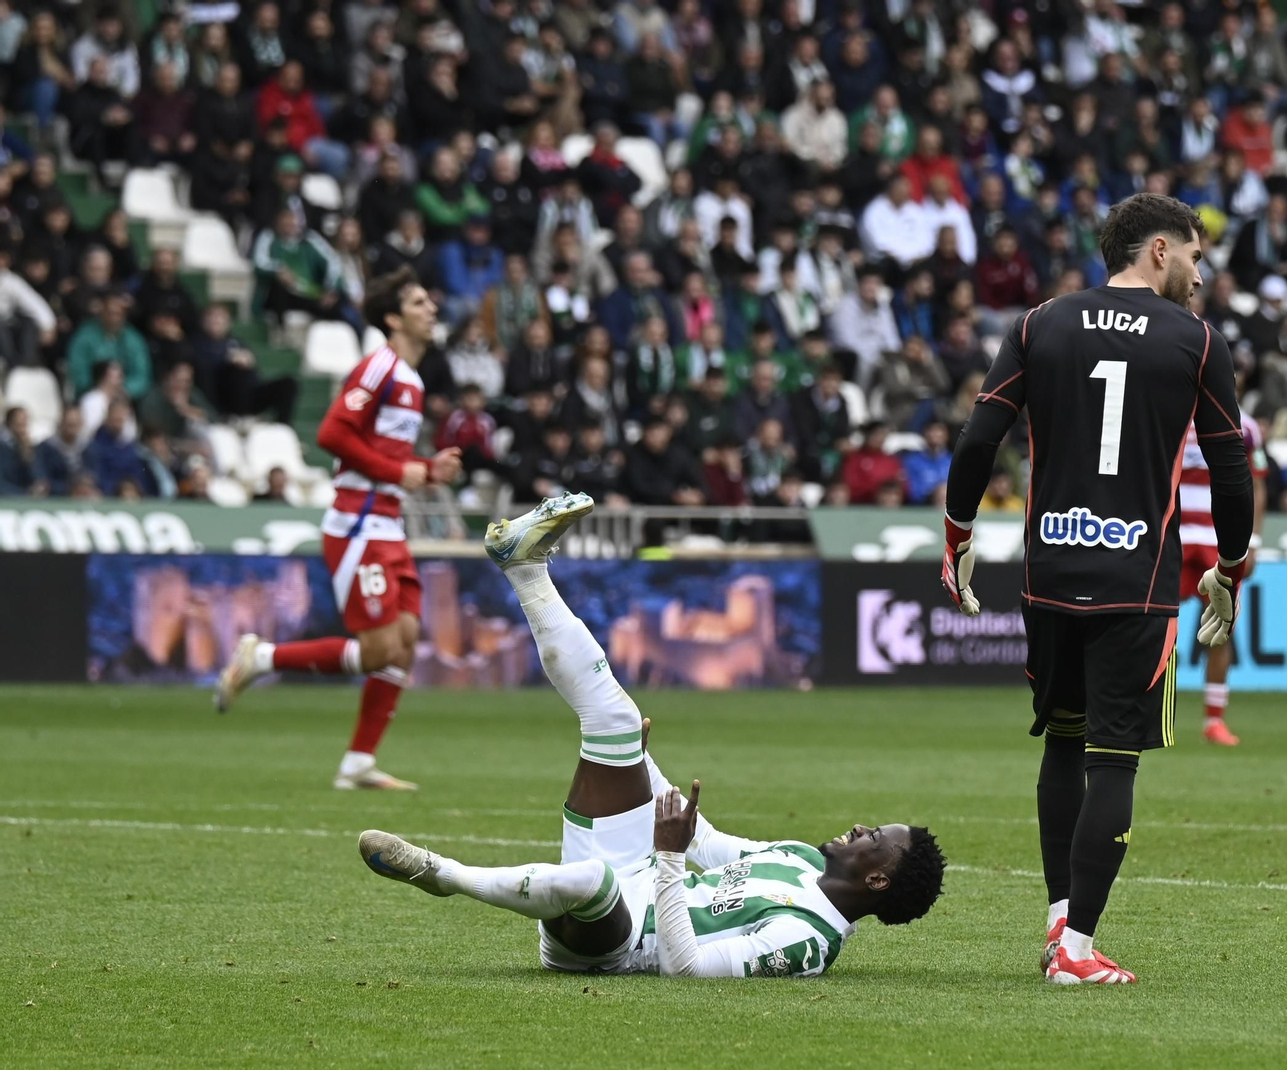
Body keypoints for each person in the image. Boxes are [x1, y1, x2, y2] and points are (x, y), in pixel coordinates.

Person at [358, 494, 946, 975]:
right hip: (637, 873)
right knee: (614, 720)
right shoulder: (797, 857)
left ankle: (438, 873)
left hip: (614, 942)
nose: (862, 826)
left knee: (593, 881)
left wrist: (666, 856)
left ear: (878, 878)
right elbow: (704, 842)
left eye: (876, 837)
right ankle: (524, 566)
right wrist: (643, 762)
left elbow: (685, 968)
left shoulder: (808, 940)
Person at [940, 193, 1253, 984]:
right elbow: (1230, 468)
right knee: (1113, 760)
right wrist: (1230, 567)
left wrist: (958, 533)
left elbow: (979, 438)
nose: (1199, 274)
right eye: (1194, 257)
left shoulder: (1039, 323)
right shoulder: (1197, 341)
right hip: (1134, 579)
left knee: (1062, 741)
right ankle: (1076, 951)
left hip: (1049, 570)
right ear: (1158, 251)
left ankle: (1059, 922)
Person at [214, 269, 463, 790]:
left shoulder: (412, 380)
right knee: (377, 650)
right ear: (393, 318)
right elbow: (332, 433)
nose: (432, 309)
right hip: (358, 524)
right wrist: (399, 471)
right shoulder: (378, 367)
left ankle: (358, 763)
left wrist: (426, 468)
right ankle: (262, 657)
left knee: (405, 640)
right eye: (419, 302)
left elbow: (384, 455)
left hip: (388, 524)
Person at [1176, 385, 1268, 746]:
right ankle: (1139, 711)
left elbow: (1257, 485)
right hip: (1172, 533)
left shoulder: (1246, 425)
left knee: (1221, 628)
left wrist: (1253, 542)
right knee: (1150, 625)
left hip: (1219, 538)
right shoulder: (1168, 407)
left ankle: (1214, 720)